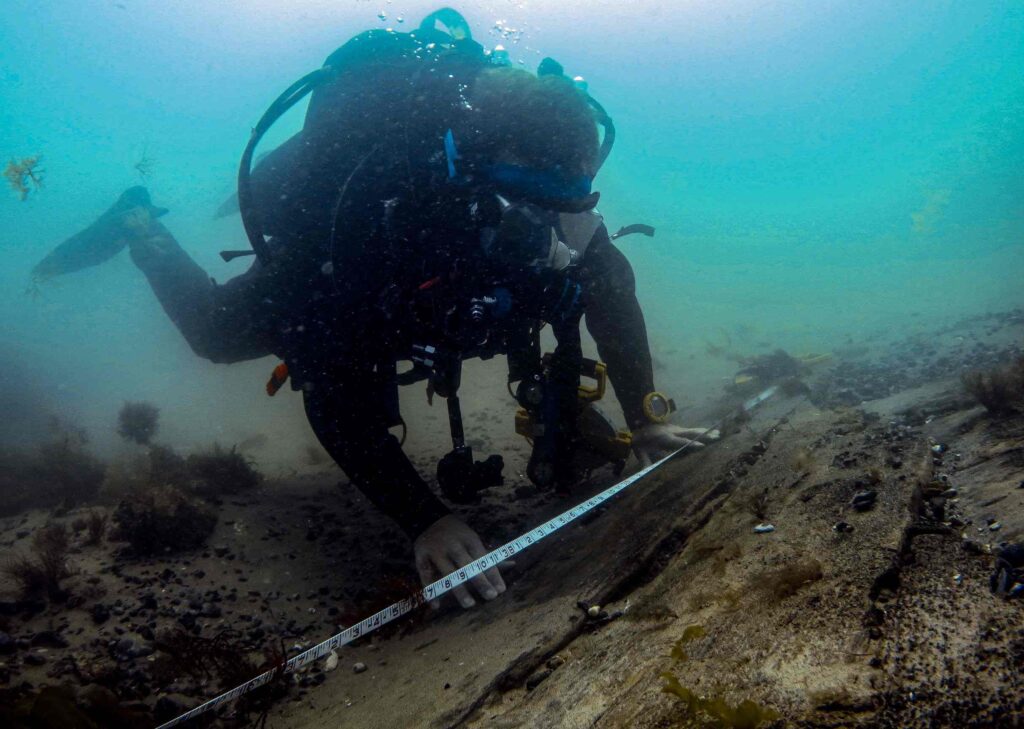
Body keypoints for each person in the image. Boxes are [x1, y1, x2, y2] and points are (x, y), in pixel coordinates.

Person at [37, 10, 709, 609]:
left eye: (574, 210)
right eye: (533, 213)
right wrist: (425, 518)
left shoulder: (555, 216)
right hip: (320, 243)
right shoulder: (377, 217)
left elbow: (611, 287)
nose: (559, 243)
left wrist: (644, 414)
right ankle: (137, 224)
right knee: (215, 333)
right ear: (472, 184)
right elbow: (331, 389)